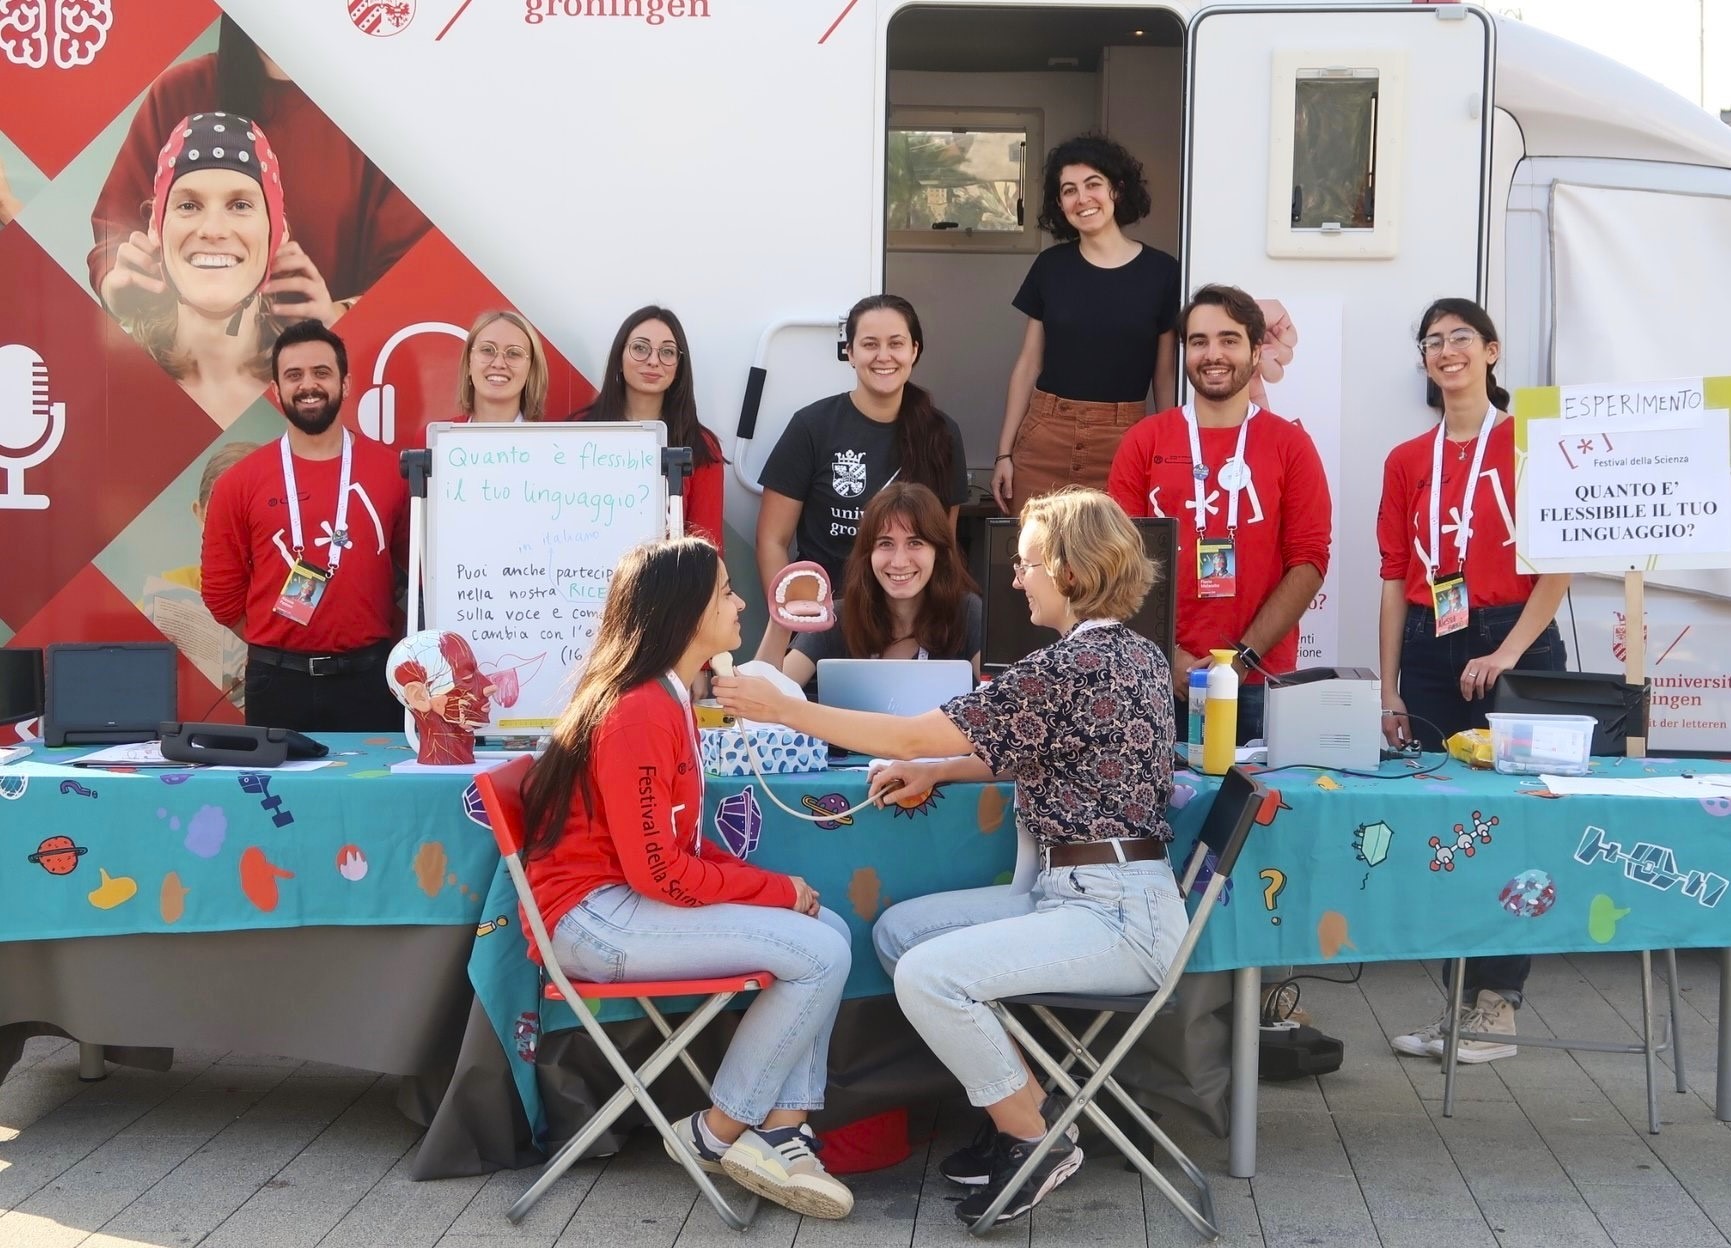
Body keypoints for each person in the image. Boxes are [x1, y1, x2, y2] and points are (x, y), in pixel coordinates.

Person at [717, 488, 1182, 1227]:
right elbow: (1027, 750)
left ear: (1066, 570)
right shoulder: (1127, 653)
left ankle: (1033, 1135)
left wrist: (786, 709)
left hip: (1112, 910)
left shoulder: (1065, 667)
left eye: (1027, 564)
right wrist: (942, 772)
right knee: (900, 933)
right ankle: (1020, 1108)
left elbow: (908, 736)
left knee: (932, 976)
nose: (1017, 578)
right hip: (1093, 891)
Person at [519, 537, 855, 1219]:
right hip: (593, 920)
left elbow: (676, 844)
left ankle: (783, 1132)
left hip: (618, 905)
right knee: (819, 950)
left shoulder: (665, 696)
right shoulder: (639, 708)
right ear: (683, 609)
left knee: (827, 929)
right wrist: (774, 891)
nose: (738, 603)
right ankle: (715, 1132)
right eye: (725, 590)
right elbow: (660, 871)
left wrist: (772, 887)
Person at [1379, 298, 1571, 1065]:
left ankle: (1498, 1007)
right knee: (1449, 825)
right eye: (1432, 340)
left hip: (1512, 636)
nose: (1446, 350)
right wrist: (1389, 685)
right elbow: (1395, 578)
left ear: (1492, 351)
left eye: (1461, 337)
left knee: (1513, 822)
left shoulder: (1531, 440)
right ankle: (1458, 1006)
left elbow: (1557, 567)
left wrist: (1508, 655)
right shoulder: (1405, 459)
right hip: (1433, 641)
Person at [1106, 284, 1332, 743]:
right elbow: (1115, 563)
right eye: (1199, 341)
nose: (1214, 354)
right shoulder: (1144, 442)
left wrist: (1241, 659)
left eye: (1229, 340)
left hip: (1259, 680)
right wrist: (1169, 657)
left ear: (1255, 350)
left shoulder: (1291, 446)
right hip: (1156, 677)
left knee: (1260, 812)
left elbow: (1308, 561)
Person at [90, 16, 428, 319]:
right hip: (194, 364)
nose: (215, 230)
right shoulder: (180, 90)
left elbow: (418, 267)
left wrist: (341, 314)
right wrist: (118, 283)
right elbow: (115, 228)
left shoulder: (379, 109)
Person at [200, 320, 409, 732]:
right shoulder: (238, 483)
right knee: (279, 798)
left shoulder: (393, 471)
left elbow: (417, 575)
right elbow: (221, 596)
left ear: (346, 384)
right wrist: (282, 643)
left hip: (371, 680)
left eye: (322, 372)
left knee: (366, 796)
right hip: (277, 685)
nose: (308, 385)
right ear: (276, 391)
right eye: (293, 375)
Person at [754, 294, 968, 663]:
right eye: (869, 344)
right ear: (850, 353)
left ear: (914, 351)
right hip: (828, 630)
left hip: (913, 637)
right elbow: (772, 539)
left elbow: (942, 547)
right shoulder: (812, 427)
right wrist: (792, 624)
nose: (883, 356)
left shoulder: (943, 434)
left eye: (896, 344)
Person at [991, 134, 1180, 520]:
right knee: (1033, 564)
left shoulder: (1162, 272)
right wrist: (1004, 453)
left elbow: (1164, 375)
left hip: (1125, 439)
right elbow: (1028, 365)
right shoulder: (1051, 266)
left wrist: (1169, 455)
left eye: (1093, 184)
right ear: (1059, 204)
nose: (1083, 198)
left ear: (1117, 189)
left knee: (1110, 570)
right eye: (1069, 190)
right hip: (1045, 435)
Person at [117, 112, 317, 428]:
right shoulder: (111, 378)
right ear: (156, 227)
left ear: (278, 231)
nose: (213, 230)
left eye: (240, 205)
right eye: (188, 205)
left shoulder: (317, 389)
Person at [780, 482, 983, 690]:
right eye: (885, 544)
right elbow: (767, 697)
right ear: (867, 554)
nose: (899, 562)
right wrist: (778, 624)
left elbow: (1003, 699)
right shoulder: (838, 617)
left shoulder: (966, 612)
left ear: (938, 552)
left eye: (915, 543)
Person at [579, 306, 725, 549]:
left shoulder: (701, 445)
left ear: (679, 366)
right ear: (619, 358)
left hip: (668, 585)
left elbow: (707, 552)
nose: (653, 361)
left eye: (667, 352)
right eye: (640, 348)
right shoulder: (578, 429)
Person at [453, 310, 550, 425]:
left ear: (531, 369)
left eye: (513, 353)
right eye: (487, 350)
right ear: (469, 362)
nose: (498, 364)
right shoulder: (434, 439)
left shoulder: (548, 442)